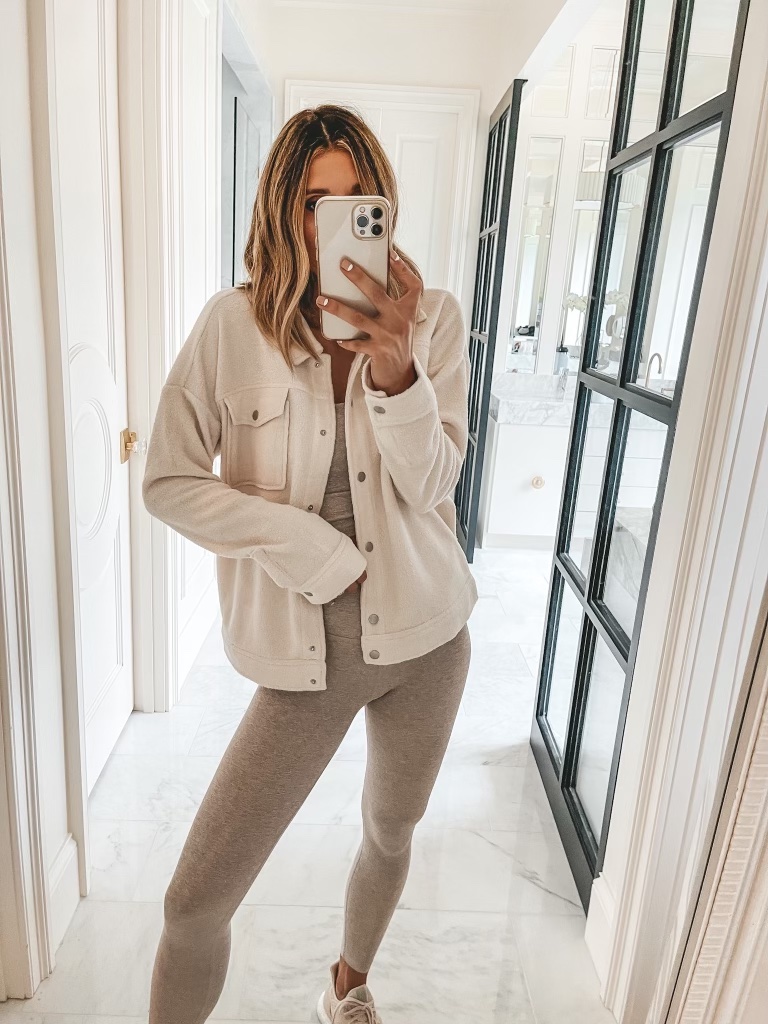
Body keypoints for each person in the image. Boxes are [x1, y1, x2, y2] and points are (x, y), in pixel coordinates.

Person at [142, 103, 478, 1024]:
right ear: (283, 208)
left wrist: (397, 367)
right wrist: (305, 546)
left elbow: (435, 483)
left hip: (428, 639)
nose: (334, 221)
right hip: (306, 660)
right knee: (194, 904)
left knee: (390, 830)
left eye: (357, 199)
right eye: (314, 201)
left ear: (384, 207)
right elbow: (168, 481)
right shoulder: (231, 326)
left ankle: (347, 987)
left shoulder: (435, 320)